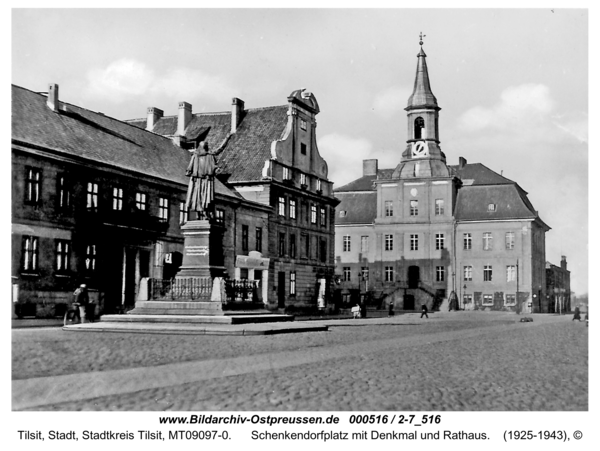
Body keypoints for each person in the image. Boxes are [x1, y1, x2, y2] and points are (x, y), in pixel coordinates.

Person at [185, 133, 233, 219]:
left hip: (206, 181)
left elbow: (219, 151)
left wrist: (227, 138)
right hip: (199, 181)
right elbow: (190, 168)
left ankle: (204, 212)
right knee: (199, 197)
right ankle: (199, 213)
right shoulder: (196, 156)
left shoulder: (209, 156)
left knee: (204, 197)